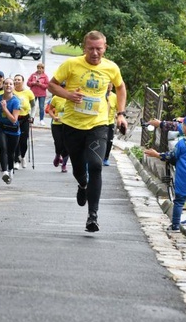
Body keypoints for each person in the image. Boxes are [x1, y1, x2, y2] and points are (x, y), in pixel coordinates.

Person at [48, 31, 128, 233]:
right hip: (73, 125)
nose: (95, 53)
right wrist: (68, 94)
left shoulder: (111, 67)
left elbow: (120, 87)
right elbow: (52, 85)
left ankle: (93, 216)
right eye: (91, 48)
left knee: (95, 165)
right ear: (84, 48)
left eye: (99, 48)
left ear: (105, 48)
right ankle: (82, 185)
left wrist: (120, 113)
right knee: (78, 171)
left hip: (98, 124)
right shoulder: (71, 64)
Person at [0, 77, 21, 184]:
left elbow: (14, 120)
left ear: (13, 86)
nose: (8, 85)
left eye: (10, 84)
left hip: (13, 130)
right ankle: (5, 172)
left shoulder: (16, 101)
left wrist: (5, 108)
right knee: (3, 148)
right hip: (1, 128)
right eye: (6, 84)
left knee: (11, 152)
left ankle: (10, 170)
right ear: (3, 86)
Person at [13, 74, 36, 169]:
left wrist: (32, 116)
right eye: (15, 80)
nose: (17, 81)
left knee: (23, 140)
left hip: (25, 118)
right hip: (14, 118)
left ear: (22, 81)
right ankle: (16, 160)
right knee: (15, 140)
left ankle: (22, 156)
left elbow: (33, 105)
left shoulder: (28, 92)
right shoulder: (11, 91)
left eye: (19, 80)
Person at [46, 94, 69, 173]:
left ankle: (64, 165)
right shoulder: (56, 98)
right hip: (57, 125)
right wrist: (54, 117)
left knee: (67, 145)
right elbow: (49, 109)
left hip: (69, 125)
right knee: (58, 143)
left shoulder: (71, 96)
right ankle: (58, 155)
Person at [103, 83, 117, 166]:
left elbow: (118, 108)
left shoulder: (114, 96)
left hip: (110, 122)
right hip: (99, 122)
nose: (108, 87)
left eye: (110, 85)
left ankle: (106, 158)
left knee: (109, 141)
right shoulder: (100, 95)